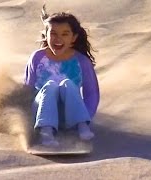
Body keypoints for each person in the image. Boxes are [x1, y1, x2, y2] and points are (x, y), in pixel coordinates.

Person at [24, 5, 100, 146]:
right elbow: (27, 91)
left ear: (73, 38)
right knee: (51, 85)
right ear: (46, 35)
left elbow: (92, 94)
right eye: (53, 33)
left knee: (67, 84)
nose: (58, 39)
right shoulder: (37, 58)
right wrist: (28, 120)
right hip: (41, 115)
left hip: (69, 117)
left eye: (65, 34)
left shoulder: (81, 61)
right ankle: (46, 133)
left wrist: (87, 116)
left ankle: (82, 126)